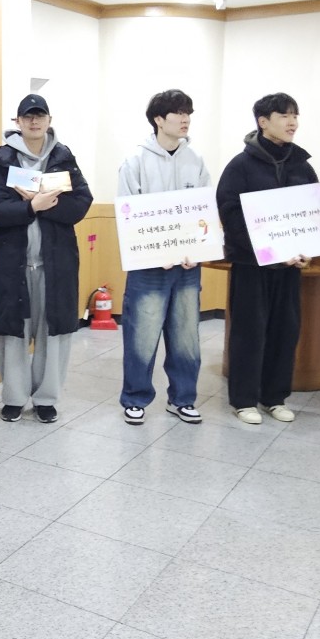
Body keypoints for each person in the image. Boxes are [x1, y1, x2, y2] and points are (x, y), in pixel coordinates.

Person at [0, 93, 93, 423]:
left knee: (53, 334)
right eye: (28, 116)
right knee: (12, 334)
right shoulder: (2, 163)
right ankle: (13, 398)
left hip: (54, 266)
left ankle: (46, 399)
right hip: (11, 265)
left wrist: (45, 204)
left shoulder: (64, 160)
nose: (34, 121)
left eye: (39, 115)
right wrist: (31, 206)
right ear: (17, 122)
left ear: (49, 120)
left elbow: (81, 203)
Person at [216, 92, 319, 425]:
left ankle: (275, 397)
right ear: (263, 122)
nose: (292, 122)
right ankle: (244, 399)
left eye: (295, 115)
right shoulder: (240, 166)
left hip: (290, 268)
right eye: (284, 115)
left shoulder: (302, 166)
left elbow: (313, 214)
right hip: (251, 266)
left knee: (285, 332)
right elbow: (230, 214)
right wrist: (267, 250)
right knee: (249, 332)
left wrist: (306, 251)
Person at [117, 89, 211, 426]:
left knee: (186, 335)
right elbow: (128, 215)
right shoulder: (135, 161)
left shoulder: (195, 161)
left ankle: (182, 399)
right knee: (141, 335)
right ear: (158, 119)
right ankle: (135, 398)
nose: (185, 119)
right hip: (148, 267)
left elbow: (204, 210)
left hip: (187, 266)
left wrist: (195, 251)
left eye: (189, 113)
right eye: (178, 113)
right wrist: (156, 251)